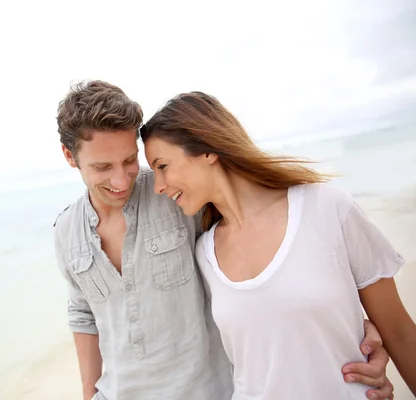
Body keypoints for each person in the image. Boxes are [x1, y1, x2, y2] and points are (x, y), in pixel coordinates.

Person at [53, 80, 394, 400]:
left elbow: (260, 257)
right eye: (102, 167)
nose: (120, 179)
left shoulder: (175, 196)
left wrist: (349, 328)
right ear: (70, 157)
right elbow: (82, 314)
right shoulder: (66, 231)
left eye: (129, 160)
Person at [140, 90, 416, 399]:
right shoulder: (204, 255)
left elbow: (400, 332)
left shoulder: (326, 207)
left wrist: (360, 337)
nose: (159, 186)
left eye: (162, 166)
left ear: (207, 150)